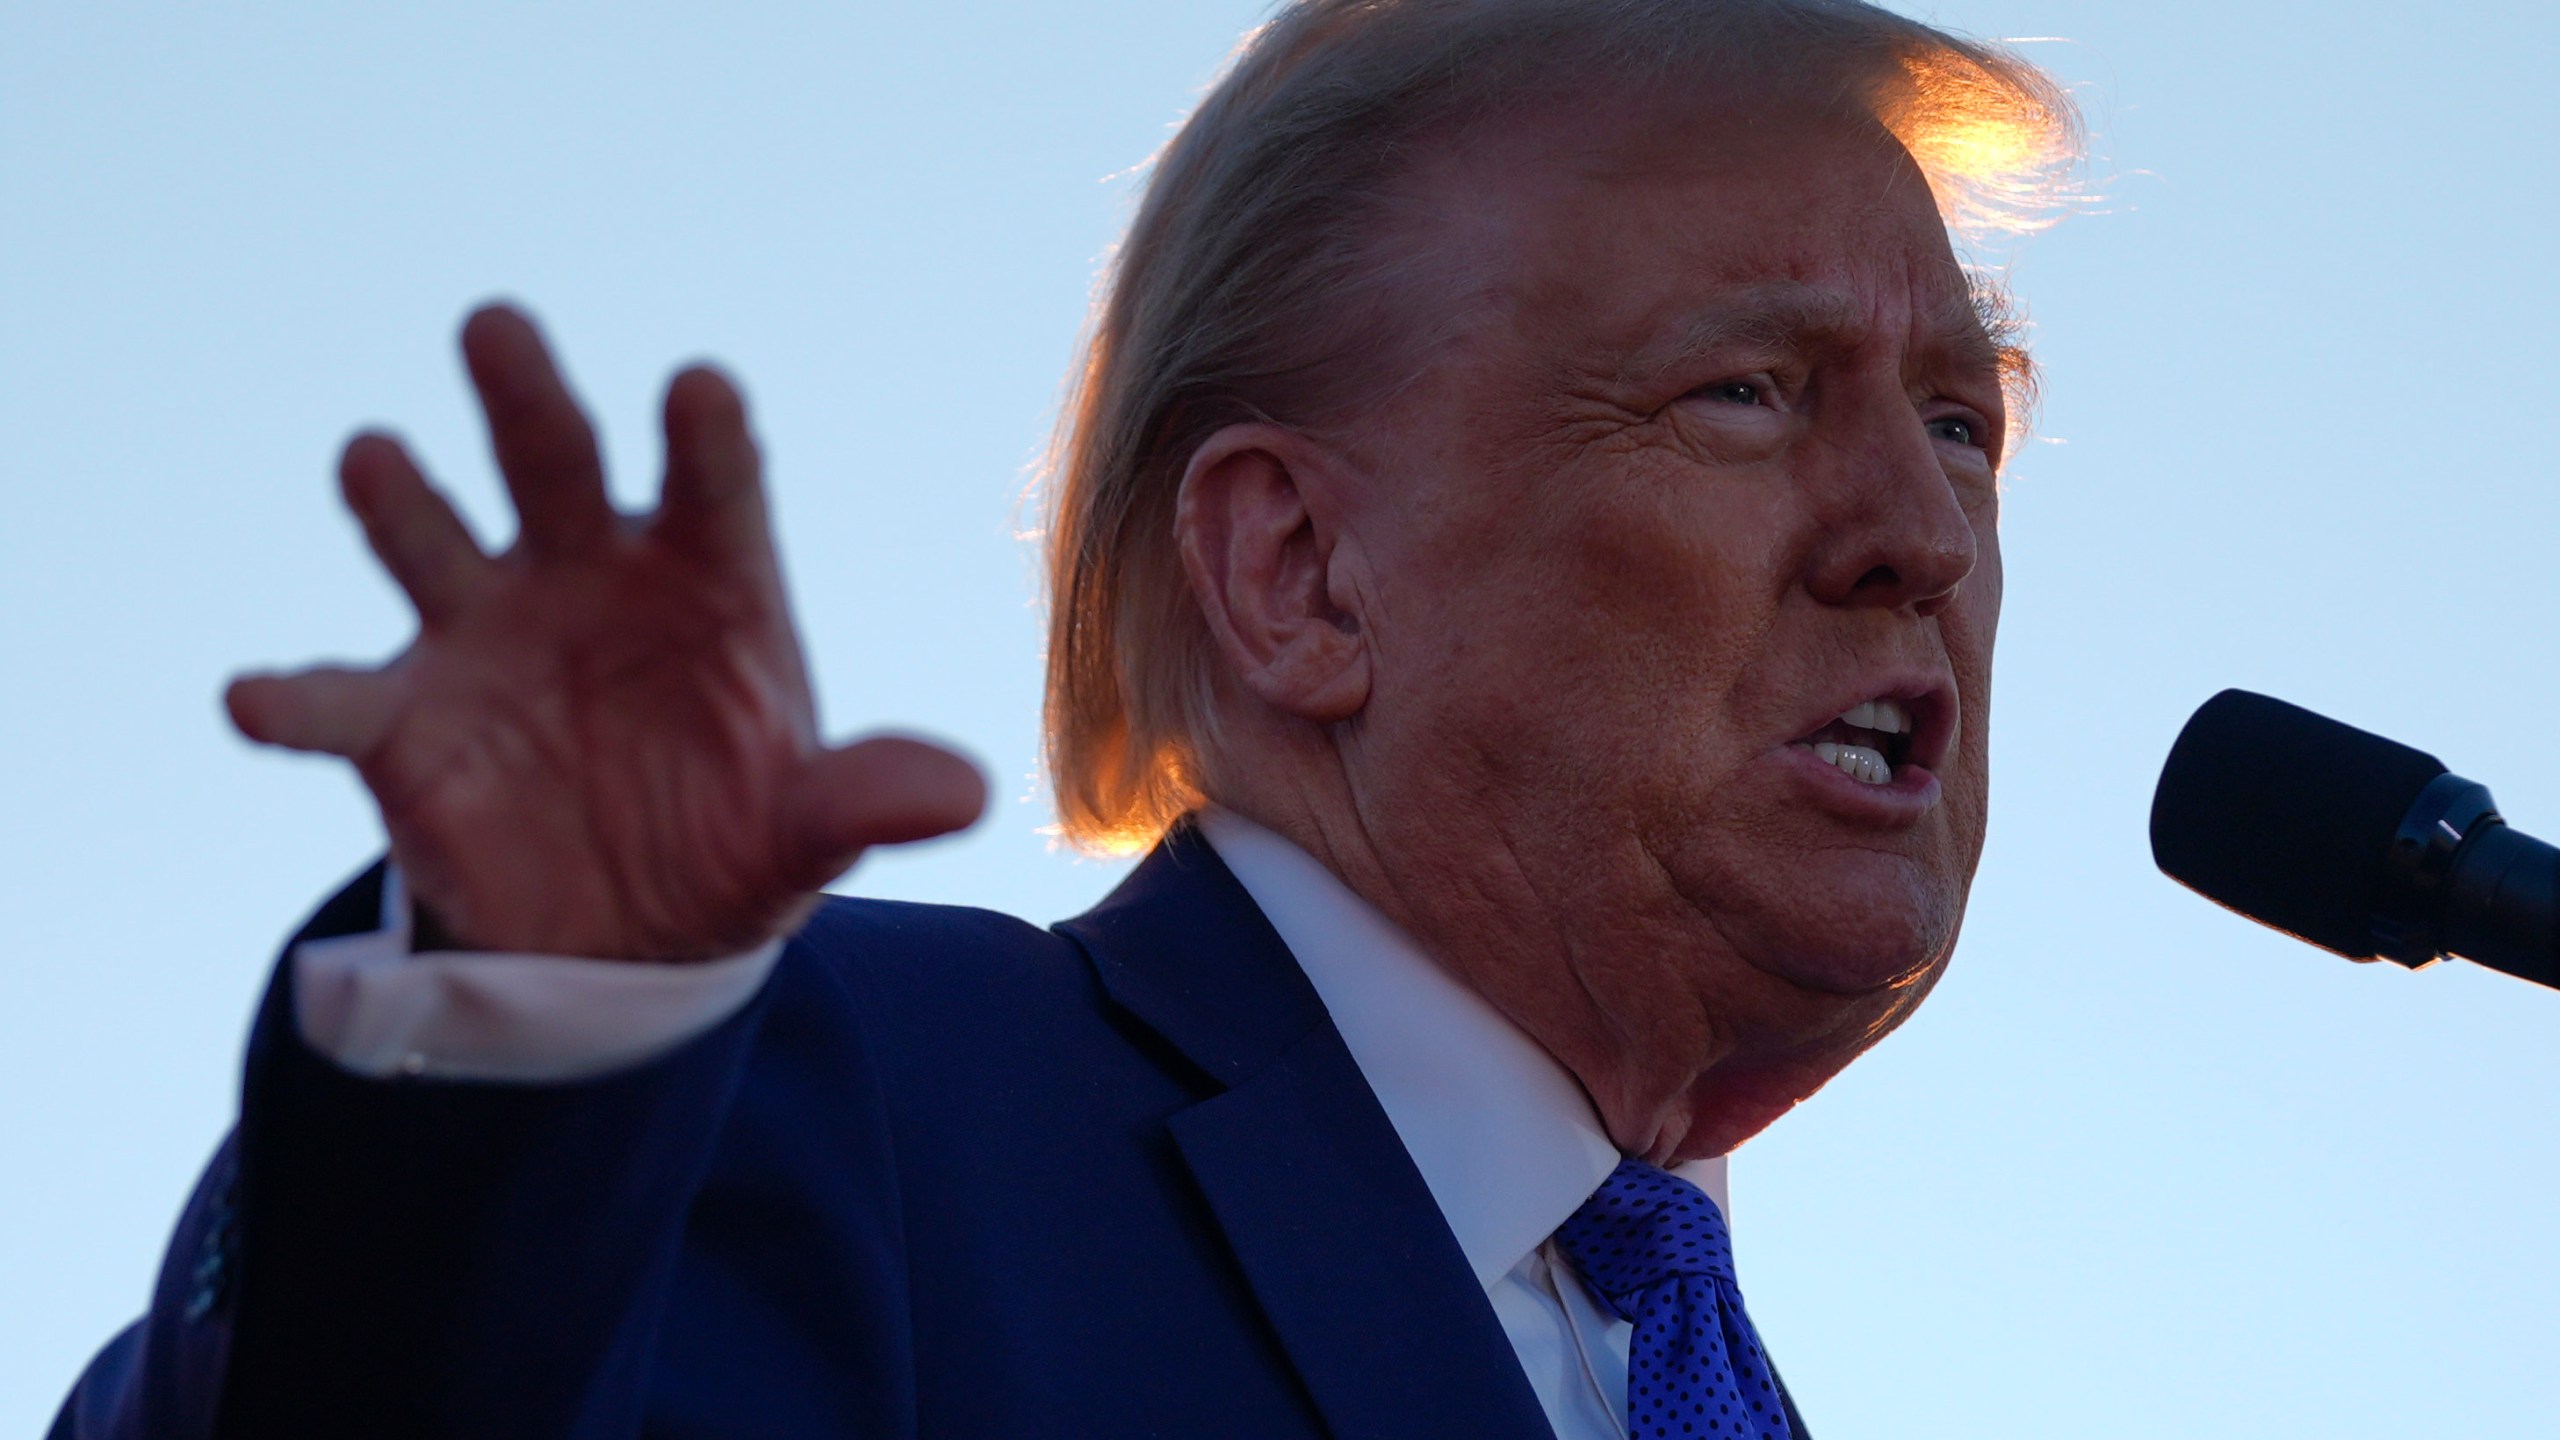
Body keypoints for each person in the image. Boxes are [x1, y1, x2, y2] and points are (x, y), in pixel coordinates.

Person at [50, 1, 2078, 1435]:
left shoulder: (1695, 1390)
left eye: (1956, 422)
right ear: (1295, 573)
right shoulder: (849, 1099)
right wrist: (526, 1041)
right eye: (1743, 393)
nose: (1915, 532)